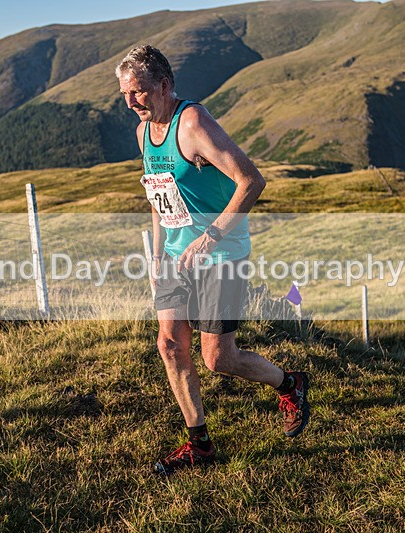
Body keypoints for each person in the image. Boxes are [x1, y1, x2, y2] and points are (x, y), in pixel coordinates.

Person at [115, 45, 310, 475]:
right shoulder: (143, 133)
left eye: (139, 91)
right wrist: (158, 256)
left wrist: (210, 237)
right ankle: (199, 444)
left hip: (220, 253)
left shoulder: (193, 123)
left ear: (164, 85)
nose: (130, 102)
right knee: (169, 345)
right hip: (175, 257)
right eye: (125, 94)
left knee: (218, 359)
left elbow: (251, 180)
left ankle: (290, 383)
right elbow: (158, 195)